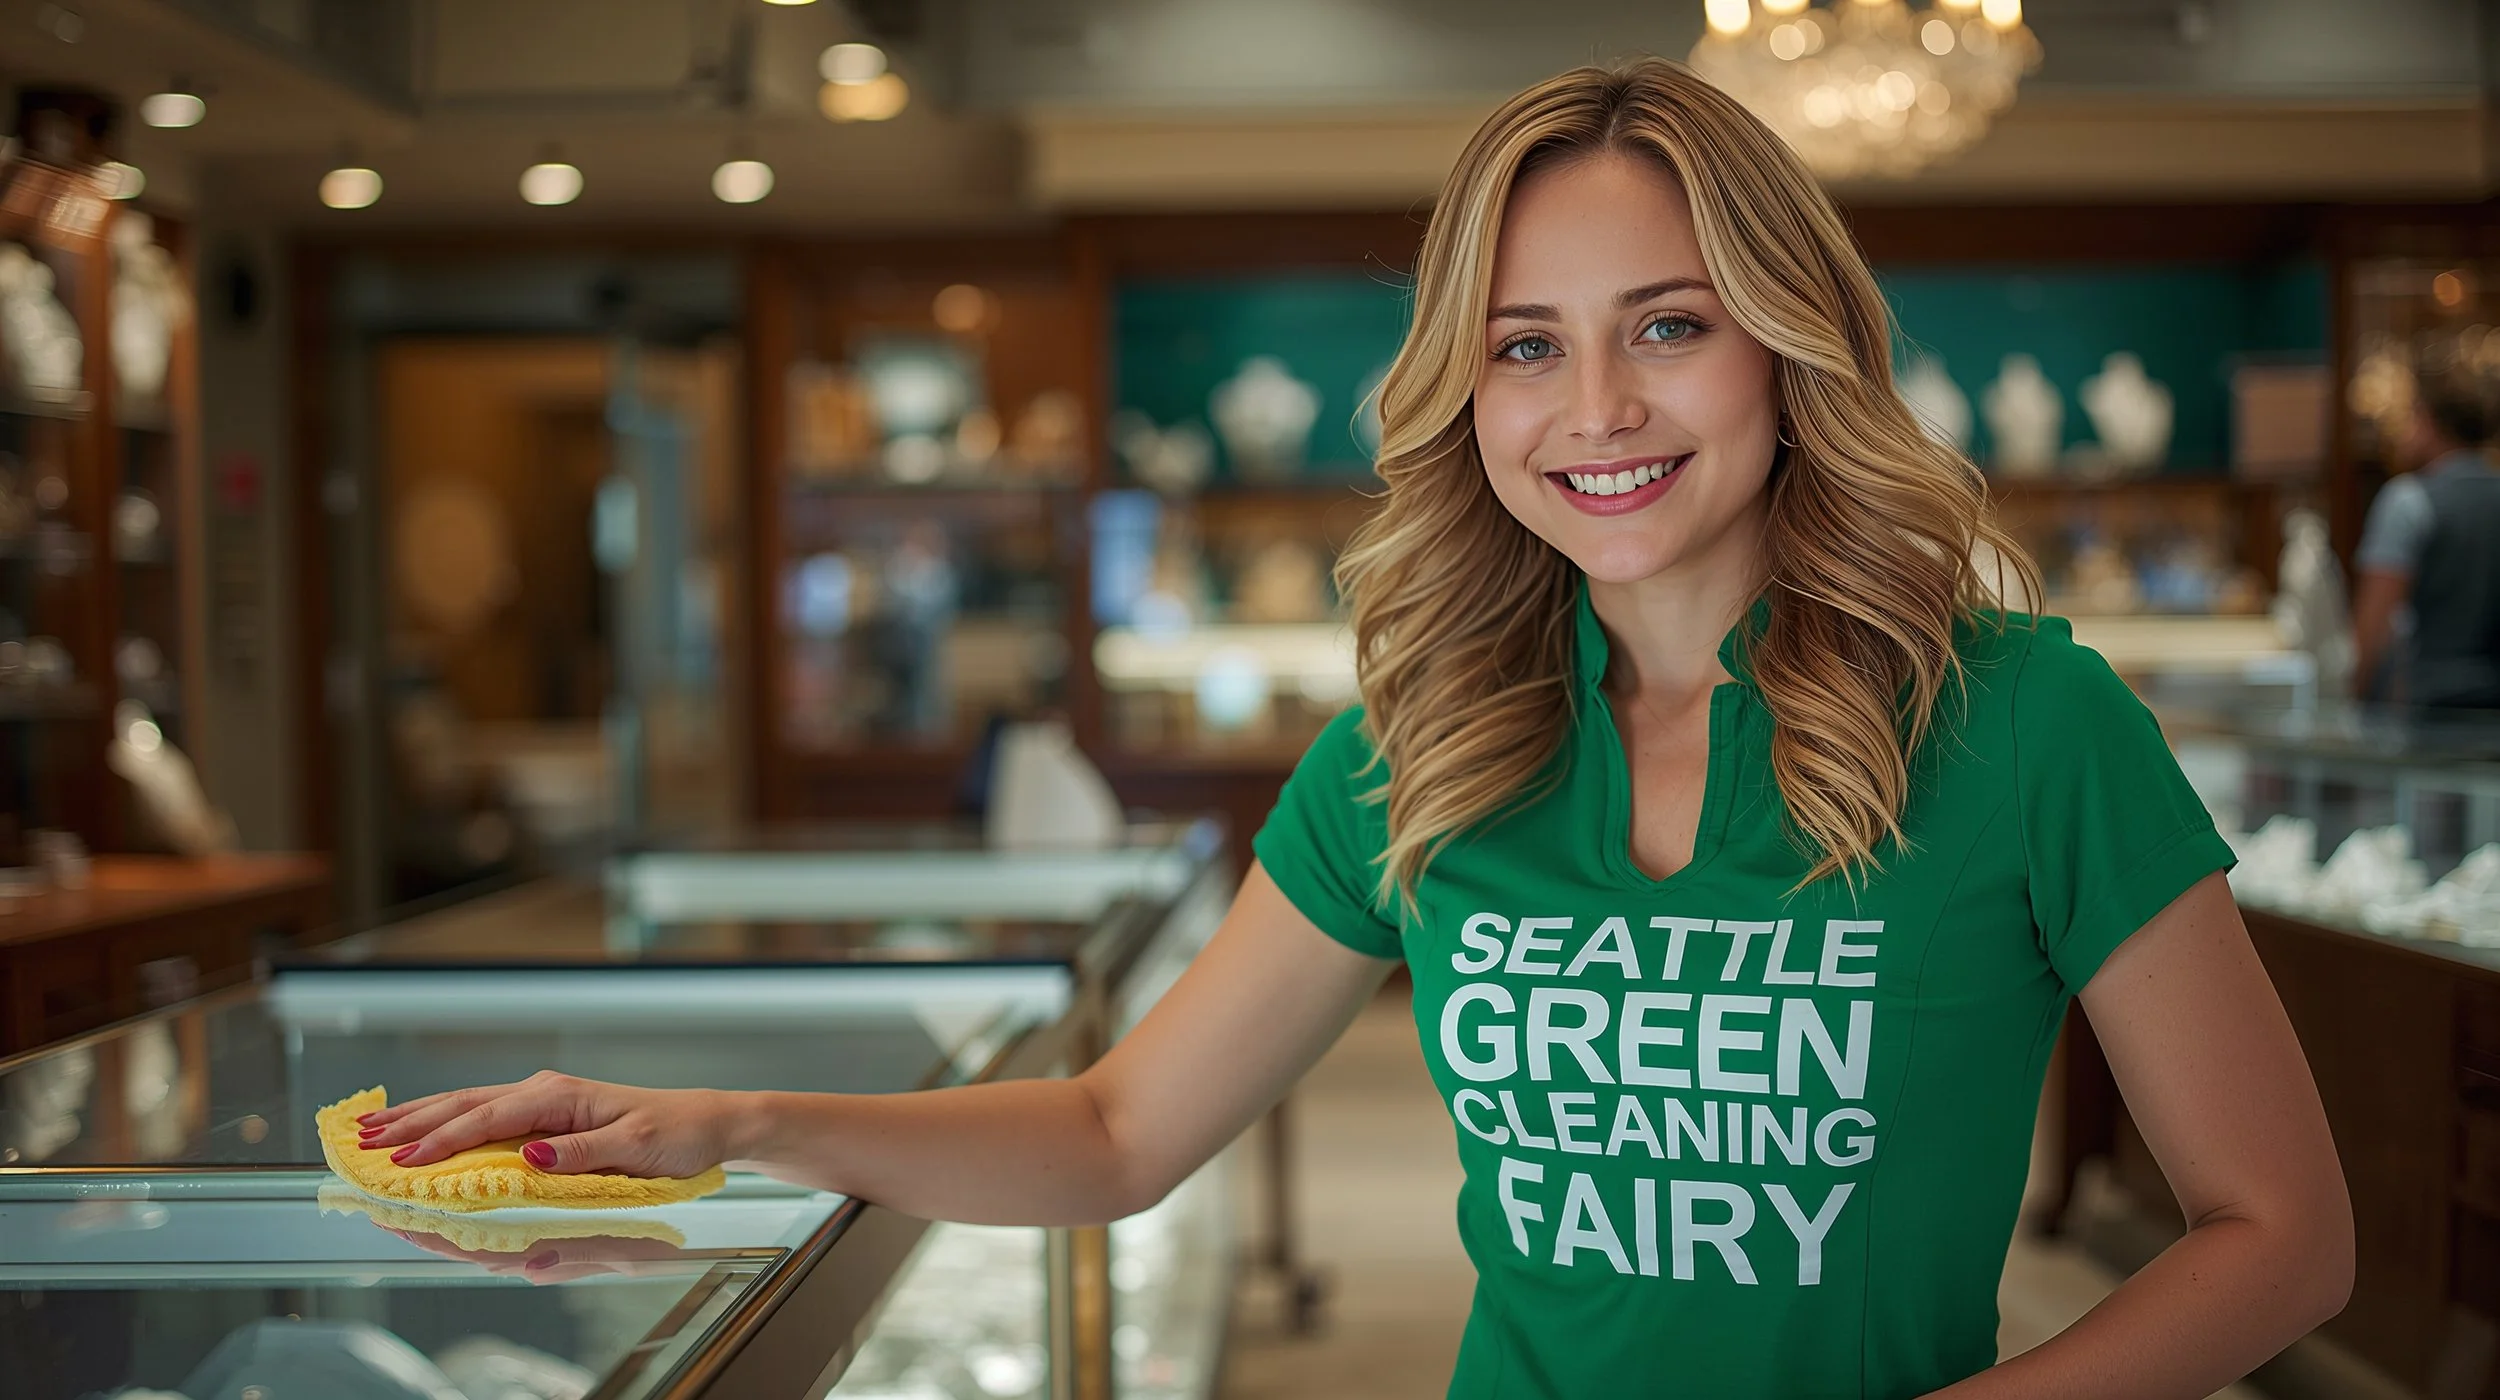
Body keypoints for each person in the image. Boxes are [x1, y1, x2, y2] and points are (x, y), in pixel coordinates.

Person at [358, 60, 2351, 1399]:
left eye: (1665, 322)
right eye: (1523, 345)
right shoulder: (1420, 752)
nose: (1597, 407)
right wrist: (736, 1122)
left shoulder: (2023, 722)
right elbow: (1120, 1128)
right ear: (1460, 396)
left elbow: (2280, 1235)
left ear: (1781, 341)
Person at [2352, 369, 2500, 709]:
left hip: (2430, 703)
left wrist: (2356, 695)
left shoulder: (2408, 500)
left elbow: (2375, 620)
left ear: (2429, 422)